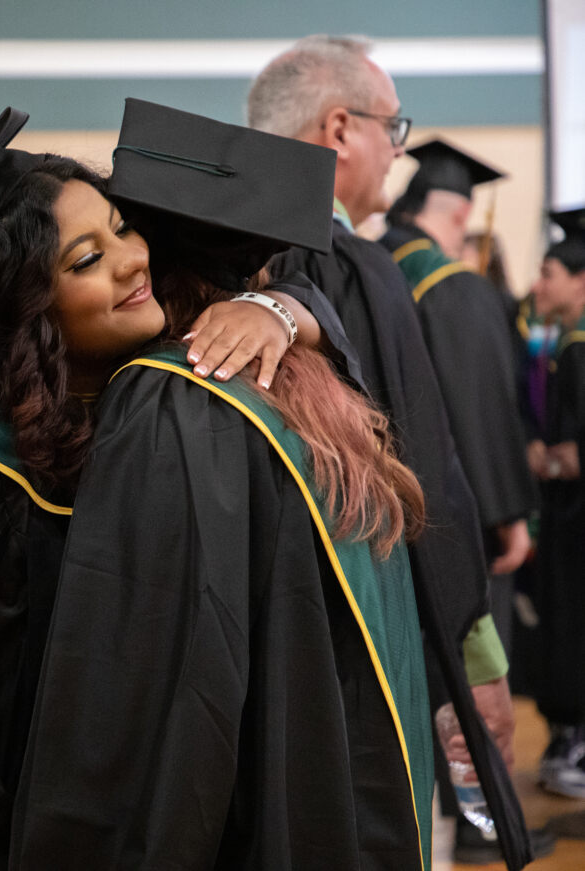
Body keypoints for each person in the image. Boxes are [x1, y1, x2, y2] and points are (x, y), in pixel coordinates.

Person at [0, 107, 333, 869]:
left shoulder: (150, 414)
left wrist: (279, 309)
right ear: (25, 306)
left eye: (122, 227)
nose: (130, 260)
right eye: (84, 259)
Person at [12, 96, 432, 870]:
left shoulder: (174, 399)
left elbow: (156, 691)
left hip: (253, 816)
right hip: (349, 806)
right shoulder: (305, 381)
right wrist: (285, 307)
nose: (123, 258)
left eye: (123, 231)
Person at [247, 34, 537, 868]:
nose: (397, 153)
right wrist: (472, 655)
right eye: (391, 127)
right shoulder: (359, 271)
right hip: (362, 643)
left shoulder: (196, 262)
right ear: (339, 129)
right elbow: (425, 469)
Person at [381, 139, 537, 698]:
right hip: (452, 519)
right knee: (465, 688)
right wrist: (510, 515)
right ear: (463, 212)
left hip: (374, 512)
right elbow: (484, 409)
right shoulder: (451, 285)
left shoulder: (363, 264)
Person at [527, 207, 585, 798]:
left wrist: (541, 460)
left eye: (550, 273)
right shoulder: (565, 343)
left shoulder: (579, 348)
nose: (539, 285)